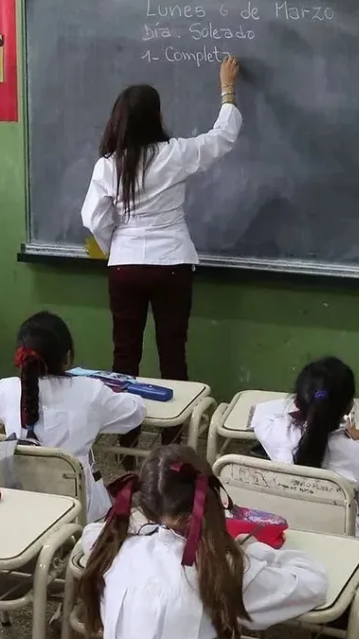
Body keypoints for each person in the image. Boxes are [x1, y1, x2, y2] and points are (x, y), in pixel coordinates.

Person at [81, 57, 241, 453]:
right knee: (173, 355)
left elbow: (92, 218)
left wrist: (117, 242)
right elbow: (222, 138)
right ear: (156, 117)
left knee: (125, 357)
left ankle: (127, 442)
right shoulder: (175, 154)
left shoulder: (108, 166)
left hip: (125, 266)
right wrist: (228, 91)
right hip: (172, 264)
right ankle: (174, 443)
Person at [78, 445, 328, 639]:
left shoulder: (114, 550)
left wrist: (138, 525)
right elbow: (313, 584)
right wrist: (256, 550)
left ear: (145, 505)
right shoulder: (223, 568)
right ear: (211, 500)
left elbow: (91, 532)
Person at [249, 356, 359, 599]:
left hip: (282, 536)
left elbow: (260, 417)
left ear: (298, 402)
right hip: (339, 540)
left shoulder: (277, 432)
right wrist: (358, 441)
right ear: (348, 407)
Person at [0, 311, 145, 522]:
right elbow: (135, 413)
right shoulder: (91, 392)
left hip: (22, 507)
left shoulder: (7, 389)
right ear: (68, 357)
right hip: (81, 515)